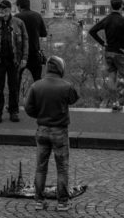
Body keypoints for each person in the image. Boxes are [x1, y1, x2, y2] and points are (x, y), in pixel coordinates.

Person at [24, 55, 79, 212]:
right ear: (61, 68)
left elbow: (28, 108)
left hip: (42, 129)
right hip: (60, 130)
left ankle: (39, 201)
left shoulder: (36, 86)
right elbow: (74, 98)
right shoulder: (66, 86)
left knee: (41, 167)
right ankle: (62, 203)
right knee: (62, 168)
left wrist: (40, 115)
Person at [0, 0, 29, 123]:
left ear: (10, 10)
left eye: (4, 10)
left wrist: (24, 58)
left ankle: (13, 112)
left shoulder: (19, 23)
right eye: (0, 10)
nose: (2, 12)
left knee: (13, 88)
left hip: (13, 60)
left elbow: (25, 42)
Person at [15, 0, 48, 84]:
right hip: (34, 52)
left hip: (20, 54)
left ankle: (16, 98)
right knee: (38, 82)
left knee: (16, 83)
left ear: (19, 6)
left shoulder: (16, 17)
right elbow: (44, 34)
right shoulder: (37, 16)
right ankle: (39, 98)